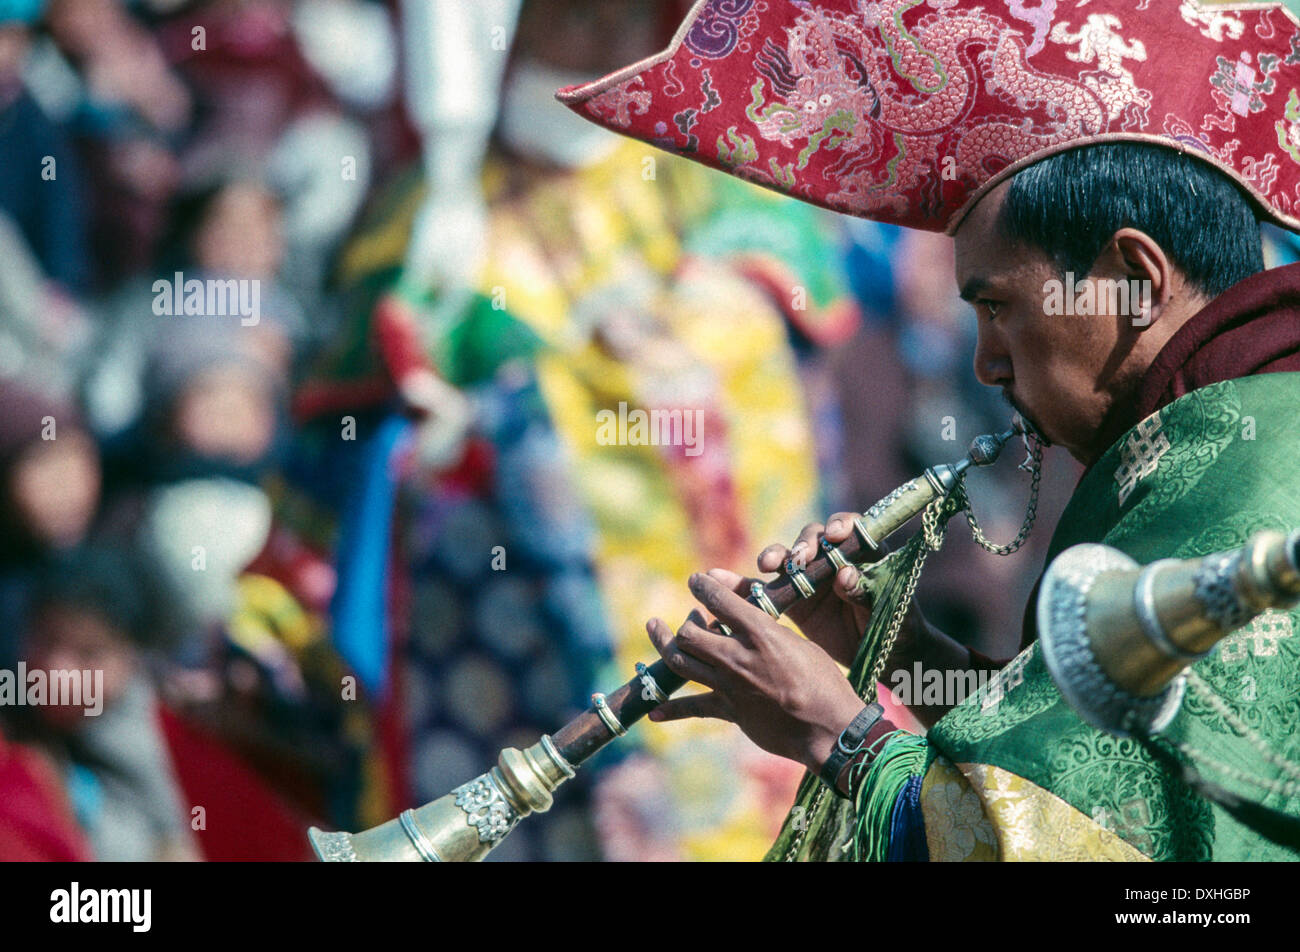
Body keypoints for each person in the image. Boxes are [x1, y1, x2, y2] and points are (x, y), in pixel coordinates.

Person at [563, 0, 1300, 860]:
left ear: (1131, 281)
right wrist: (900, 647)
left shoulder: (1246, 475)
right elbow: (1100, 777)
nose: (986, 364)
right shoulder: (1213, 436)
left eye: (999, 307)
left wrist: (833, 732)